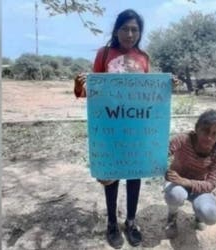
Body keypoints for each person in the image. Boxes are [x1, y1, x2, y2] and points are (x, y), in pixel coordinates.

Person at [73, 9, 149, 249]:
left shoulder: (144, 57)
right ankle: (112, 223)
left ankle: (131, 221)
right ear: (116, 30)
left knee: (135, 174)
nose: (130, 34)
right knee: (111, 175)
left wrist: (168, 86)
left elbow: (150, 94)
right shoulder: (104, 54)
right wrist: (79, 86)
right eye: (125, 28)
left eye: (134, 29)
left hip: (135, 125)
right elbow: (94, 94)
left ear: (140, 32)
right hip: (109, 125)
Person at [164, 109, 216, 238]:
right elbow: (161, 155)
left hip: (198, 188)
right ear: (197, 129)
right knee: (175, 195)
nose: (209, 137)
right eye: (205, 131)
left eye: (214, 134)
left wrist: (186, 182)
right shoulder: (183, 140)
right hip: (176, 183)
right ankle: (172, 216)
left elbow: (211, 184)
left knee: (211, 216)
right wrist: (164, 172)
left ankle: (199, 216)